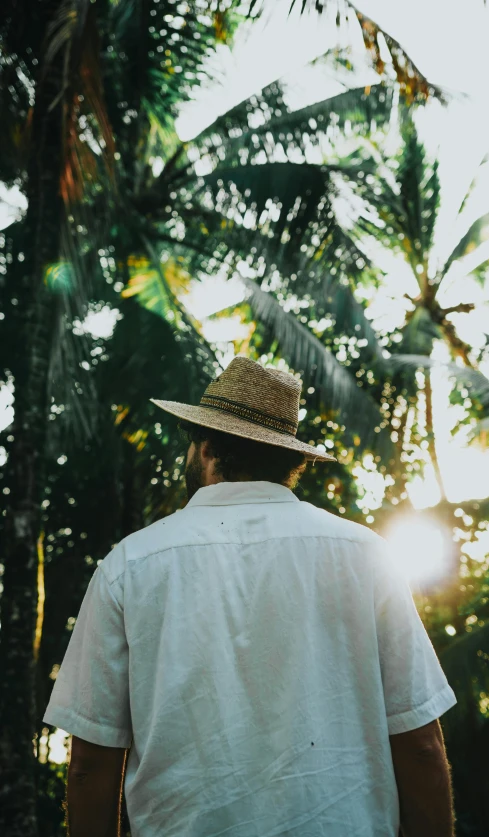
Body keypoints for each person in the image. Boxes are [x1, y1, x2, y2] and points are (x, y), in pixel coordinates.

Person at [43, 355, 457, 837]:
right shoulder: (366, 555)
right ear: (292, 462)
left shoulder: (129, 565)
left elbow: (91, 764)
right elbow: (421, 745)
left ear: (205, 449)